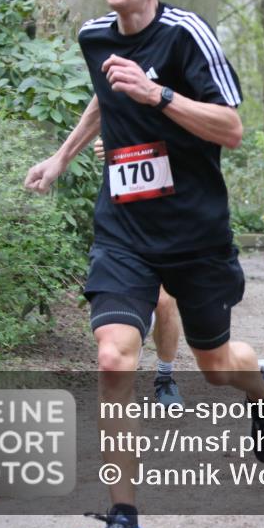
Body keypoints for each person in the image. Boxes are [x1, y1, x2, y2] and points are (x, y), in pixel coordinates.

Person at [24, 0, 264, 528]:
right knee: (114, 357)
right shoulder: (95, 37)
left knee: (218, 365)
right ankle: (124, 517)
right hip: (124, 230)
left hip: (195, 233)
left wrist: (158, 96)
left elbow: (233, 128)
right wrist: (62, 157)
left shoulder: (187, 36)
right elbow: (104, 95)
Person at [93, 137, 183, 407]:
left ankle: (165, 379)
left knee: (165, 302)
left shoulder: (175, 105)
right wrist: (105, 143)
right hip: (123, 223)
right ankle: (129, 347)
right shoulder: (118, 102)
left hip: (168, 220)